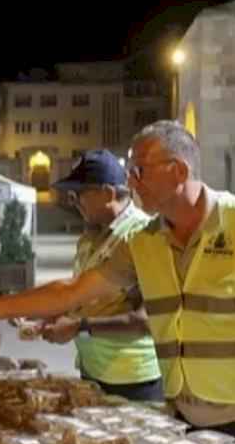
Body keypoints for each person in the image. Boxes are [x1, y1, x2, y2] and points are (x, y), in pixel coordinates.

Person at [0, 121, 235, 444]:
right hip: (184, 416)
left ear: (178, 171)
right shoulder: (145, 240)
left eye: (140, 170)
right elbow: (71, 291)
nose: (131, 181)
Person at [36, 150, 163, 402]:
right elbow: (82, 296)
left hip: (133, 378)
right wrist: (54, 316)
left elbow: (145, 319)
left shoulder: (142, 235)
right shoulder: (89, 237)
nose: (74, 202)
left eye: (80, 194)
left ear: (108, 193)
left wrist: (78, 327)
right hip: (92, 370)